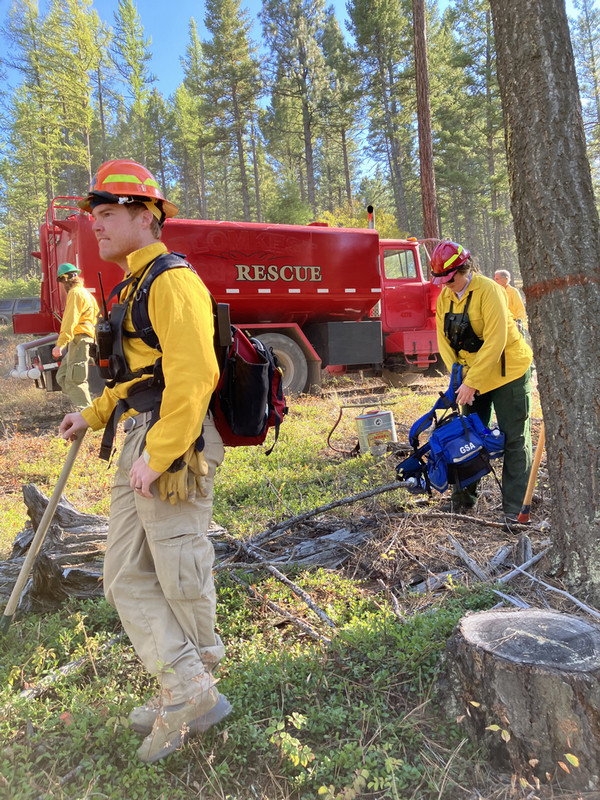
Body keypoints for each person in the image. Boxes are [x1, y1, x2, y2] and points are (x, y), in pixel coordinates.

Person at [58, 159, 230, 764]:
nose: (95, 227)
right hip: (142, 434)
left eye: (106, 214)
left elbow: (194, 374)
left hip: (172, 443)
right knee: (125, 576)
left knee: (180, 572)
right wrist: (94, 414)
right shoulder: (134, 283)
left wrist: (160, 455)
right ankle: (184, 685)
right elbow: (140, 375)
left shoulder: (171, 281)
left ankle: (192, 689)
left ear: (144, 215)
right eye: (95, 216)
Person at [431, 241, 533, 522]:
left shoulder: (490, 290)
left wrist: (471, 381)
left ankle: (515, 509)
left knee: (514, 437)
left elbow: (496, 341)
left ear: (465, 269)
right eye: (442, 280)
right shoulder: (445, 297)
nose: (447, 284)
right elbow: (443, 340)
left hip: (507, 371)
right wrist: (458, 376)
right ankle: (463, 500)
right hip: (471, 378)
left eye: (450, 278)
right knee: (467, 435)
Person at [52, 263, 99, 410]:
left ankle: (86, 413)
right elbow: (98, 317)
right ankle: (83, 404)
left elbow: (70, 320)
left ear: (64, 279)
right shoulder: (87, 294)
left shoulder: (75, 293)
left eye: (61, 282)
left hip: (80, 339)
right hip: (82, 339)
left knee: (76, 380)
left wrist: (60, 344)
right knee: (63, 376)